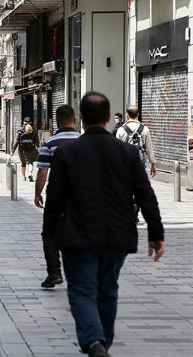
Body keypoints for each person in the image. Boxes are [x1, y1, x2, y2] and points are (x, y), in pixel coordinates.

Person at [43, 91, 165, 357]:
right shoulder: (127, 153)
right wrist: (156, 233)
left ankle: (95, 343)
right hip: (116, 236)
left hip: (77, 236)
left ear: (82, 118)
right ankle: (102, 344)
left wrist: (49, 232)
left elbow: (55, 197)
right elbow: (146, 194)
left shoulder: (67, 152)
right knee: (108, 290)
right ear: (110, 118)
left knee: (82, 291)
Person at [34, 104, 80, 288]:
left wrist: (37, 194)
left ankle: (54, 272)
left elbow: (43, 172)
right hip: (81, 196)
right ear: (74, 120)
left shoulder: (50, 143)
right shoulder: (83, 141)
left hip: (57, 196)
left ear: (57, 122)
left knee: (49, 234)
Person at [116, 106, 157, 178]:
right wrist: (153, 163)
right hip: (140, 166)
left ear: (127, 115)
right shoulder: (145, 129)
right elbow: (149, 148)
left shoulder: (121, 130)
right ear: (138, 115)